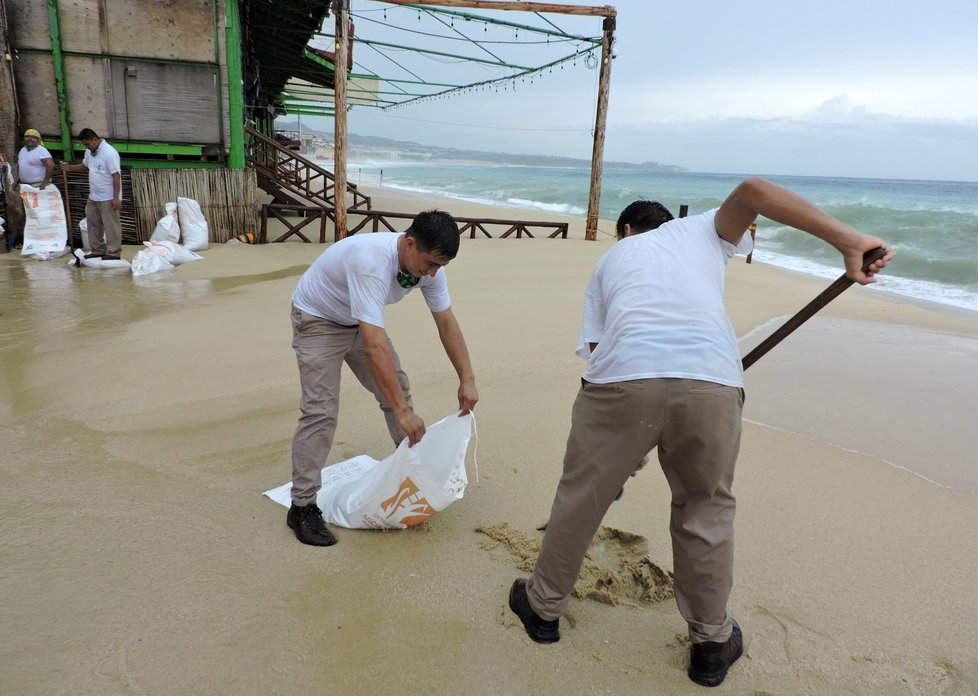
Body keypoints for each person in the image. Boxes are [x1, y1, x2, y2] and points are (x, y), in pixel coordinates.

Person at [507, 177, 893, 688]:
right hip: (712, 380)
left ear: (626, 229)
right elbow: (753, 190)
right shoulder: (705, 232)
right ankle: (710, 645)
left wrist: (627, 443)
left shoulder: (610, 261)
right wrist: (849, 242)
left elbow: (599, 352)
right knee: (704, 509)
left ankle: (543, 610)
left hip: (623, 380)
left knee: (582, 497)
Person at [287, 210, 479, 547]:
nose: (432, 273)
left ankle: (409, 469)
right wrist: (402, 412)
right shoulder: (370, 262)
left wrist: (467, 377)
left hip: (359, 320)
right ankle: (302, 506)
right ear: (409, 244)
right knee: (321, 410)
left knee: (398, 390)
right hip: (318, 318)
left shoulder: (431, 269)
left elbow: (446, 322)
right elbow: (375, 345)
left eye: (440, 267)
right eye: (430, 264)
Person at [60, 128, 122, 260]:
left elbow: (116, 176)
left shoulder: (109, 153)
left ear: (95, 140)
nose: (87, 147)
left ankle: (113, 252)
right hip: (94, 196)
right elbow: (85, 166)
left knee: (111, 226)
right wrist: (69, 168)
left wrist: (116, 198)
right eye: (84, 145)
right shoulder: (89, 152)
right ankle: (98, 249)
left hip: (108, 197)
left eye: (87, 144)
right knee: (93, 223)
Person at [5, 129, 55, 249]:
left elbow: (51, 166)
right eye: (27, 136)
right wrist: (16, 181)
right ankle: (34, 240)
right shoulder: (23, 151)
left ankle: (45, 240)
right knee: (30, 214)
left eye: (33, 137)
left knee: (40, 213)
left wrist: (44, 183)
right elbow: (23, 168)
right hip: (26, 187)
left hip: (38, 186)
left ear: (38, 140)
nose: (29, 139)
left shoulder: (41, 151)